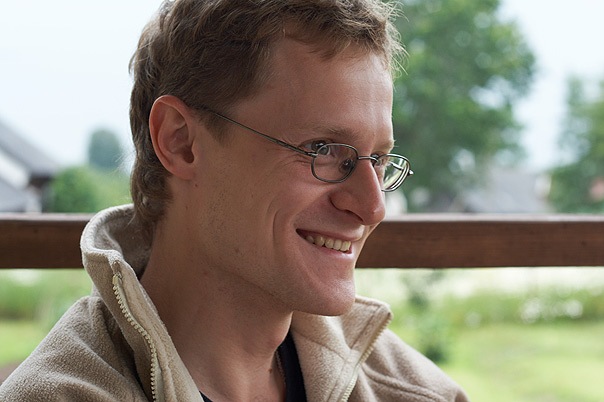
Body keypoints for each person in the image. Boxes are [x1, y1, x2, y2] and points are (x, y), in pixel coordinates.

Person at [0, 0, 469, 401]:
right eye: (323, 150)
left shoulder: (417, 392)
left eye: (379, 160)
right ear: (181, 141)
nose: (372, 207)